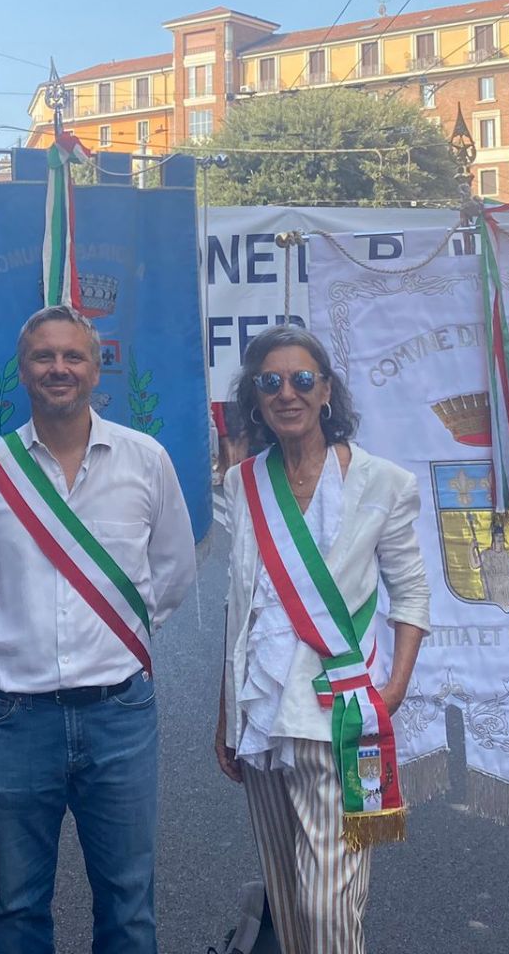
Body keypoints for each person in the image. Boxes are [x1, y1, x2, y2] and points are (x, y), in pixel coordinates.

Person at [0, 305, 197, 954]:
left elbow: (172, 570)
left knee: (128, 903)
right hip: (15, 716)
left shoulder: (145, 461)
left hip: (120, 713)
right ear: (23, 370)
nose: (59, 368)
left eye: (73, 356)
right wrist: (12, 636)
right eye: (44, 356)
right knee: (19, 905)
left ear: (96, 368)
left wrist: (115, 637)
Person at [212, 327, 427, 954]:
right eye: (271, 382)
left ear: (327, 391)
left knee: (328, 903)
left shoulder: (383, 483)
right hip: (261, 712)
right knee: (286, 895)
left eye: (303, 379)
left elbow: (412, 594)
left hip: (341, 711)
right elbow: (241, 605)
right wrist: (224, 714)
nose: (288, 393)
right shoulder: (243, 483)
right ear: (255, 398)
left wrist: (392, 690)